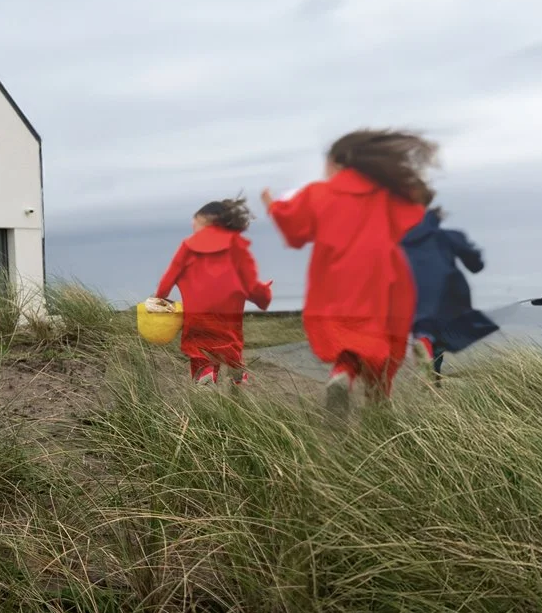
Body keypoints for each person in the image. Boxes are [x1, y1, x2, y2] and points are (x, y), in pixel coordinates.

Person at [264, 129, 434, 412]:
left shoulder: (319, 193)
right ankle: (379, 399)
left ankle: (342, 374)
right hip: (383, 272)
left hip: (334, 276)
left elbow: (294, 231)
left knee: (348, 335)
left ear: (339, 162)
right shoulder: (383, 194)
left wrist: (273, 207)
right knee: (382, 336)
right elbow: (413, 214)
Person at [153, 197, 274, 385]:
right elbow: (251, 285)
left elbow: (168, 278)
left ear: (208, 222)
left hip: (197, 317)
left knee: (199, 348)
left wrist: (159, 297)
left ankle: (206, 372)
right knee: (230, 344)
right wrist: (264, 295)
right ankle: (236, 371)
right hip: (229, 316)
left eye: (196, 222)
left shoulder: (188, 247)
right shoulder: (237, 248)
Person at [402, 206, 496, 374]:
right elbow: (475, 265)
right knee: (442, 333)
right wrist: (476, 254)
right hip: (447, 293)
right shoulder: (447, 236)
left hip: (411, 294)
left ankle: (425, 349)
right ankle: (433, 374)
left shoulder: (399, 241)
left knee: (423, 328)